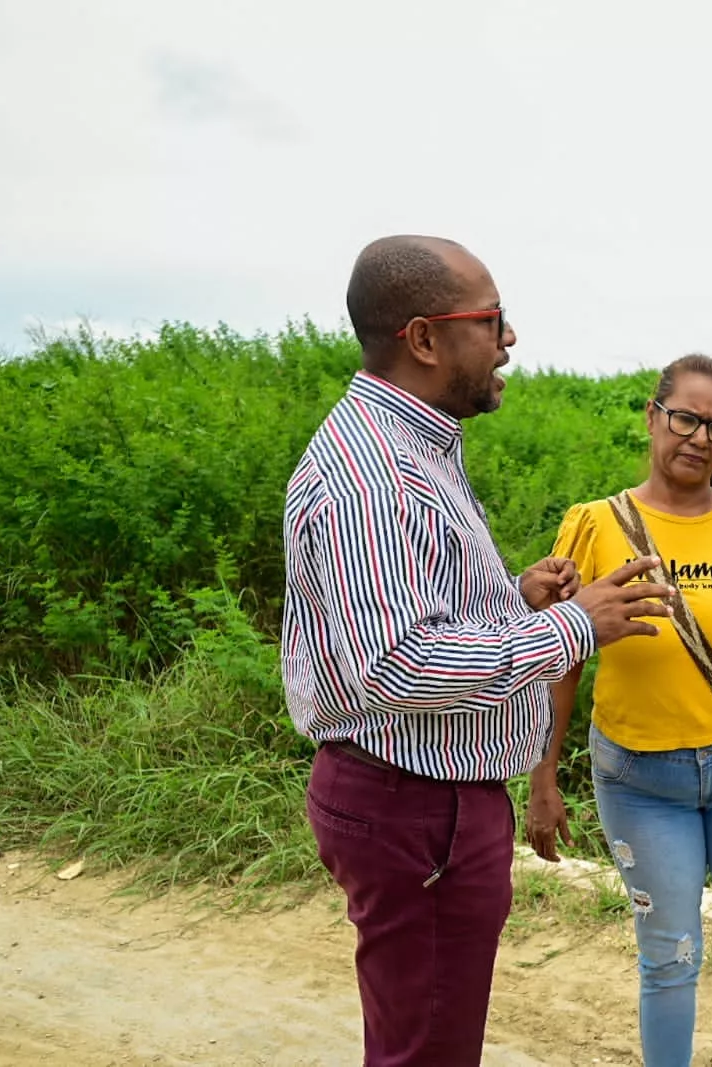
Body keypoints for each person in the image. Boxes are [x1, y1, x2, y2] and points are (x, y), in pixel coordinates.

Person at [280, 234, 675, 1067]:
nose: (510, 339)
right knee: (426, 1048)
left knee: (431, 1036)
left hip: (431, 799)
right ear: (424, 339)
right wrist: (575, 626)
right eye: (491, 319)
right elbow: (391, 662)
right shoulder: (372, 473)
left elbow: (417, 611)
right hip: (412, 805)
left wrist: (513, 597)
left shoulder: (415, 447)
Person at [526, 354, 712, 1067]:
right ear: (653, 417)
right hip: (641, 781)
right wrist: (542, 778)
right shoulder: (595, 525)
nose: (698, 437)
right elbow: (564, 658)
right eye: (684, 417)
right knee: (670, 954)